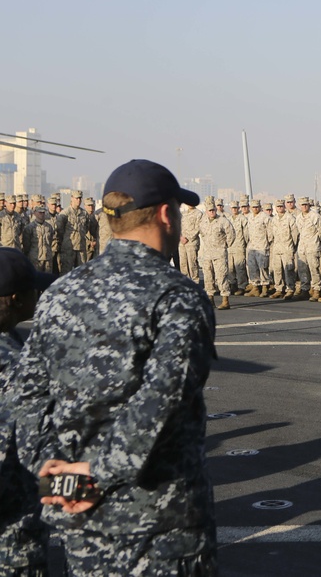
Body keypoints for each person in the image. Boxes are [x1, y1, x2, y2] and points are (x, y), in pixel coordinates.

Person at [13, 159, 217, 576]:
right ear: (165, 213)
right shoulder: (176, 297)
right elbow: (161, 403)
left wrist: (53, 472)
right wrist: (99, 475)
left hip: (80, 521)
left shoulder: (60, 292)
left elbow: (27, 395)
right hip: (159, 530)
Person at [1, 249, 54, 577]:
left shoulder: (13, 345)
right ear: (18, 299)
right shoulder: (11, 365)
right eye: (36, 290)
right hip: (12, 533)